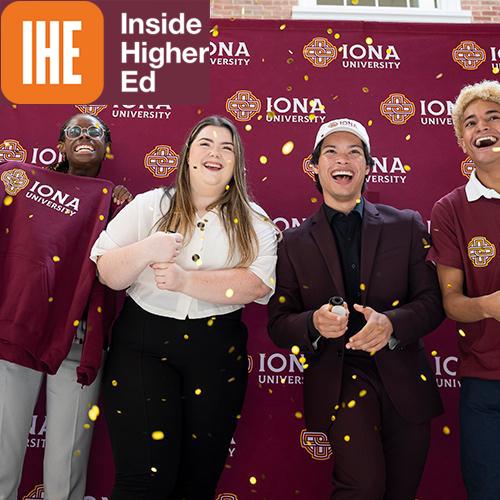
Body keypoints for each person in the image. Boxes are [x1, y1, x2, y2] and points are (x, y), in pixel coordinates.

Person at [90, 115, 278, 500]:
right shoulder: (149, 205)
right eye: (206, 144)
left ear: (236, 163)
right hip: (143, 346)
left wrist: (185, 281)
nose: (215, 153)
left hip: (216, 352)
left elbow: (257, 284)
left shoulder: (254, 220)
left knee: (197, 480)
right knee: (144, 480)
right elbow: (108, 271)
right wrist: (146, 249)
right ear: (188, 154)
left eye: (227, 147)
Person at [268, 118, 444, 499]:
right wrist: (313, 324)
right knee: (362, 488)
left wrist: (391, 324)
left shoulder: (408, 225)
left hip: (404, 381)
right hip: (339, 380)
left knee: (401, 491)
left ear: (367, 166)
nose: (342, 160)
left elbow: (432, 304)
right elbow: (279, 324)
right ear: (314, 167)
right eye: (330, 151)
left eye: (354, 152)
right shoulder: (293, 243)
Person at [0, 113, 132, 500]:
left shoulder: (116, 201)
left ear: (106, 146)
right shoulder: (23, 181)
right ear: (60, 145)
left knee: (67, 456)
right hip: (19, 330)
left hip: (77, 339)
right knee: (3, 445)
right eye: (75, 131)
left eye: (95, 132)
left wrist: (117, 206)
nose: (85, 137)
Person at [428, 80, 500, 500]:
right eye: (470, 122)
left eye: (493, 117)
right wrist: (490, 306)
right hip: (485, 384)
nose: (481, 127)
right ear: (462, 141)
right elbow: (451, 303)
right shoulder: (450, 208)